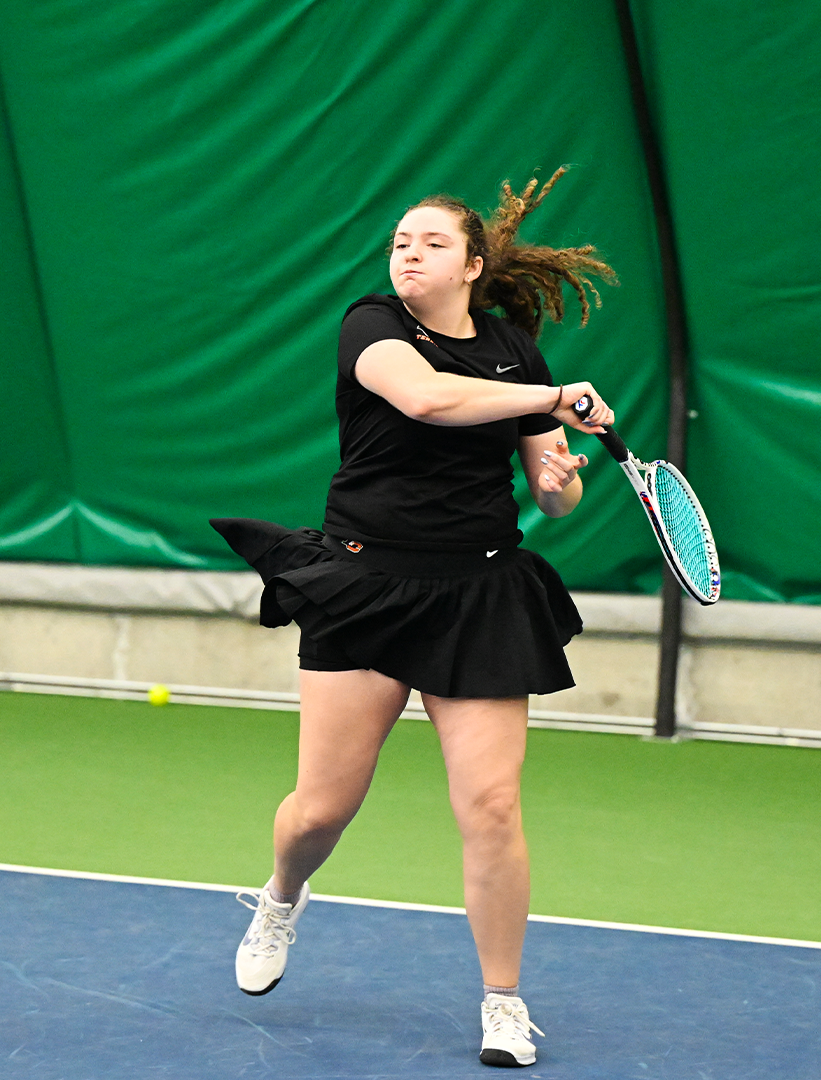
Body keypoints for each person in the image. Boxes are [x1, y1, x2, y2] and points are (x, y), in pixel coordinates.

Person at [209, 167, 616, 1068]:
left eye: (431, 243)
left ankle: (503, 1004)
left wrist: (560, 475)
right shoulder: (373, 326)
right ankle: (281, 895)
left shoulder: (516, 351)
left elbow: (553, 498)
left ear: (472, 266)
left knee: (494, 807)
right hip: (366, 587)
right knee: (321, 810)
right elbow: (429, 397)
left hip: (479, 595)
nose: (409, 253)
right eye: (400, 241)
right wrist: (552, 405)